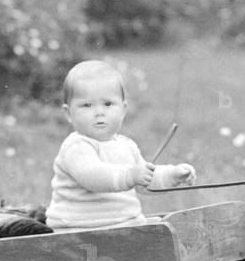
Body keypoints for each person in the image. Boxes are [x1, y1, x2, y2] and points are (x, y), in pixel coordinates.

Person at [46, 60, 195, 230]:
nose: (99, 112)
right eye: (87, 105)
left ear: (123, 110)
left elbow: (144, 180)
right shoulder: (76, 146)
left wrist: (173, 175)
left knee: (170, 230)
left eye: (108, 104)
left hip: (124, 226)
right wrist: (131, 176)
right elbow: (92, 175)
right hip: (78, 229)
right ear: (68, 113)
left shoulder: (126, 146)